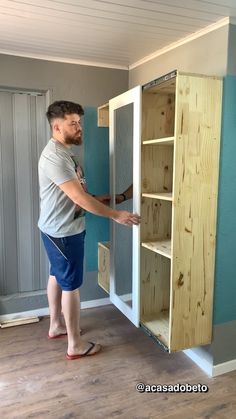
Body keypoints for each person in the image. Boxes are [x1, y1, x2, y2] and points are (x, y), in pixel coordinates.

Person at [38, 100, 140, 361]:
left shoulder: (64, 153)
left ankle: (56, 325)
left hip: (56, 229)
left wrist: (100, 197)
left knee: (57, 275)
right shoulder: (55, 156)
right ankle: (75, 345)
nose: (80, 128)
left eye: (79, 122)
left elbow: (78, 194)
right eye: (74, 123)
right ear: (57, 126)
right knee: (71, 285)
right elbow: (79, 199)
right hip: (64, 231)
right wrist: (116, 215)